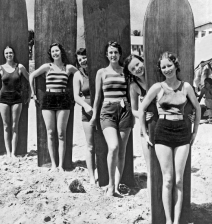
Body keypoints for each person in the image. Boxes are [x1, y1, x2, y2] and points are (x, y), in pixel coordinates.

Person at [138, 51, 200, 224]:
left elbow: (197, 108)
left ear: (176, 65)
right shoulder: (157, 87)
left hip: (182, 133)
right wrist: (144, 132)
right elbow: (141, 110)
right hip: (162, 132)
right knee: (168, 180)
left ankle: (179, 223)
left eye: (169, 65)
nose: (167, 69)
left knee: (179, 180)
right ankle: (168, 223)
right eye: (163, 67)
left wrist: (195, 131)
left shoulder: (186, 87)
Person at [90, 41, 134, 197]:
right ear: (106, 55)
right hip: (107, 111)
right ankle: (110, 185)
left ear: (120, 54)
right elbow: (97, 97)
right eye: (110, 52)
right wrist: (94, 116)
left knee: (121, 151)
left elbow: (131, 94)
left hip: (124, 111)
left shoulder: (125, 72)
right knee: (113, 147)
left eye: (116, 52)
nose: (113, 55)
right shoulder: (101, 72)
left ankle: (115, 185)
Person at [29, 42, 77, 172]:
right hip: (48, 99)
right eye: (53, 52)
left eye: (57, 50)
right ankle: (54, 165)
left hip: (63, 99)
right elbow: (32, 75)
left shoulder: (68, 68)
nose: (55, 53)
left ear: (61, 52)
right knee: (50, 133)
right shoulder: (47, 67)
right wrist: (33, 94)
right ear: (51, 54)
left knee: (61, 134)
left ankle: (61, 165)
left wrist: (78, 93)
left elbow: (80, 77)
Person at [123, 54, 155, 201]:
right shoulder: (134, 86)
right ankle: (152, 201)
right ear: (130, 73)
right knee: (150, 167)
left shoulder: (155, 77)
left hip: (164, 126)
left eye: (138, 64)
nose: (137, 69)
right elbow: (133, 109)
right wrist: (142, 115)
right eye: (133, 68)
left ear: (143, 61)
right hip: (146, 128)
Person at [0, 46, 31, 158]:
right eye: (7, 53)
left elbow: (30, 80)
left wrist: (30, 94)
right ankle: (8, 153)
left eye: (11, 52)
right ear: (4, 55)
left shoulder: (20, 67)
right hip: (3, 99)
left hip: (17, 99)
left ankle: (14, 153)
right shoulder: (0, 68)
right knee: (6, 126)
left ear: (13, 54)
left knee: (14, 126)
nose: (9, 55)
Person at [73, 48, 97, 185]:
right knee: (90, 146)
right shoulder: (78, 75)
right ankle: (92, 176)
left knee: (103, 144)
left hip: (102, 110)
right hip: (87, 111)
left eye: (84, 57)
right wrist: (86, 106)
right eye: (80, 59)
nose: (83, 60)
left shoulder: (98, 70)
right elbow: (76, 96)